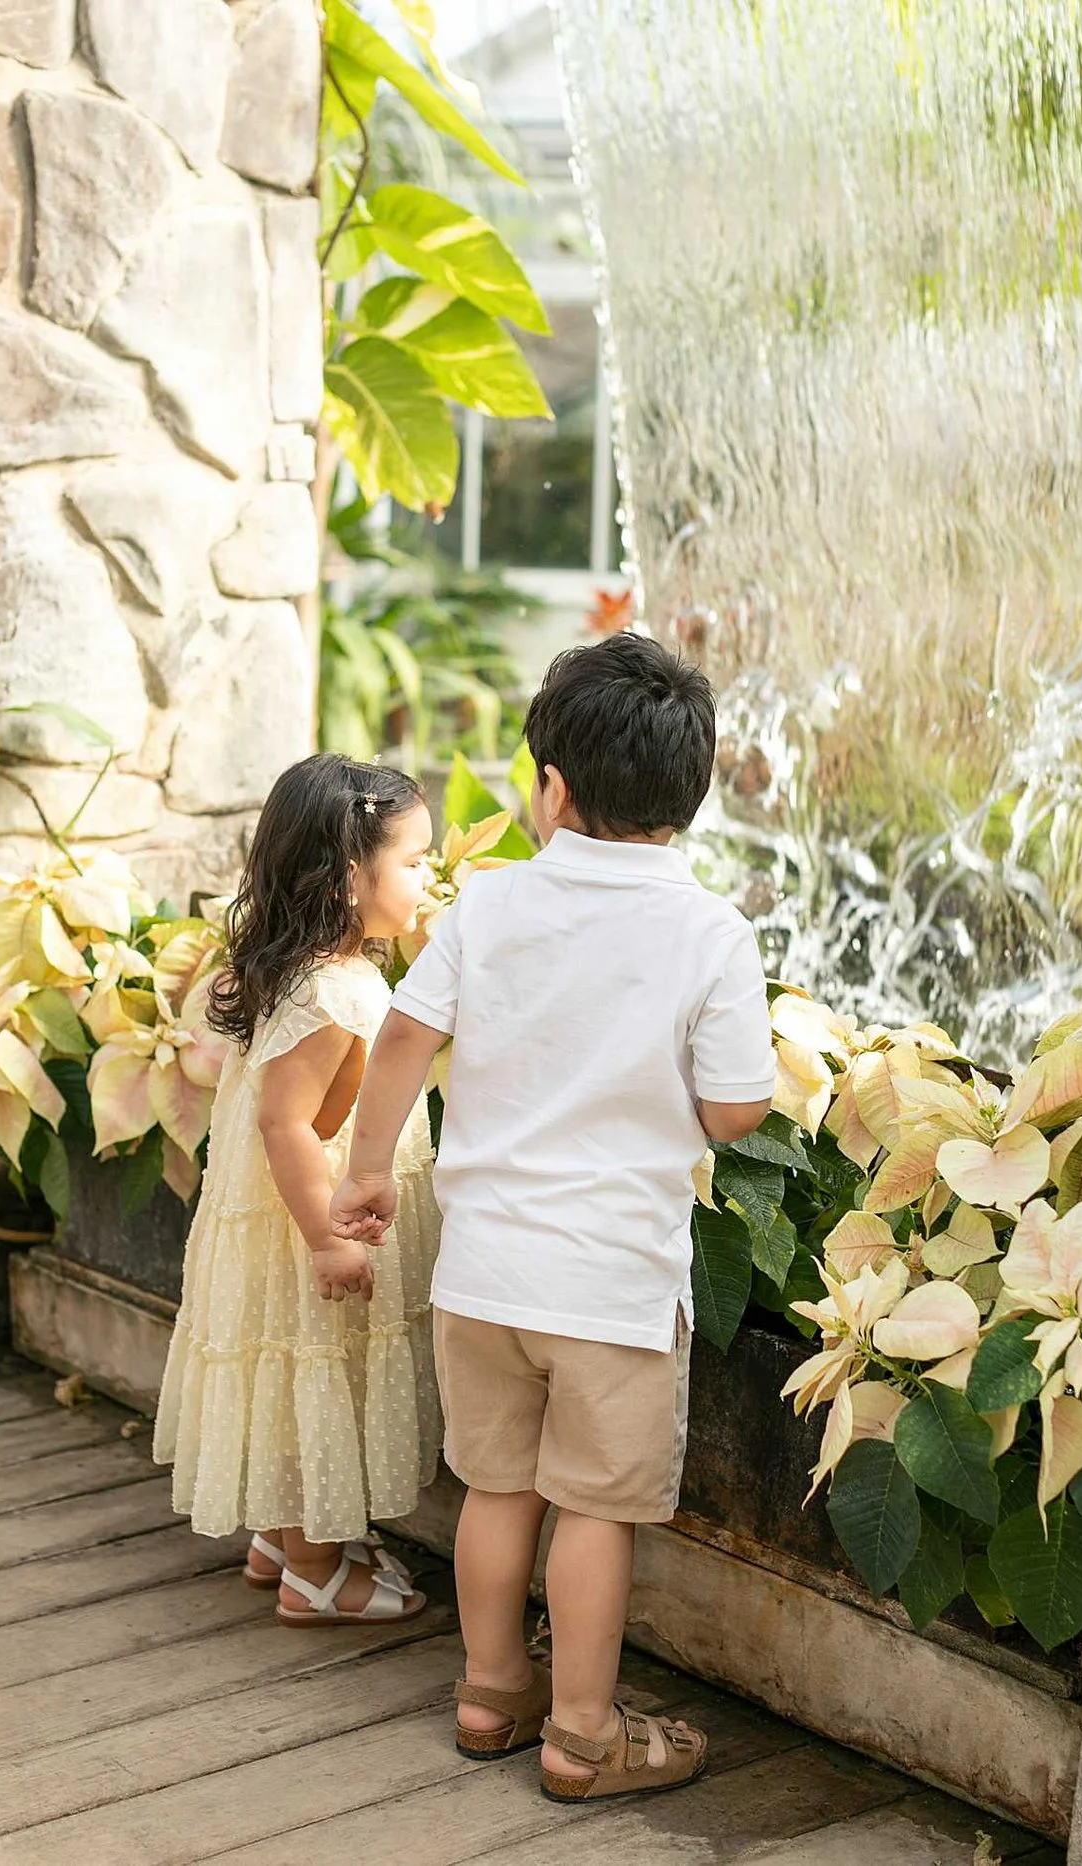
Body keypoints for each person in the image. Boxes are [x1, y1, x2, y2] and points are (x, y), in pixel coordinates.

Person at [331, 633, 774, 1802]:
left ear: (553, 789)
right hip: (612, 1288)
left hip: (483, 1274)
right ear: (688, 797)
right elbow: (736, 1108)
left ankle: (489, 1694)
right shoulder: (711, 933)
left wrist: (367, 1170)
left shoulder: (490, 903)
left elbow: (404, 1035)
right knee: (592, 1509)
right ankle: (583, 1735)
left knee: (497, 1489)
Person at [153, 753, 443, 1626]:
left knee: (291, 1374)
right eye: (415, 861)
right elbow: (285, 1125)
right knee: (317, 1373)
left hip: (290, 1216)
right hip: (309, 1221)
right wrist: (326, 1238)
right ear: (352, 878)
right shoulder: (327, 995)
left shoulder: (311, 967)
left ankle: (283, 1538)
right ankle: (315, 1573)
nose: (430, 878)